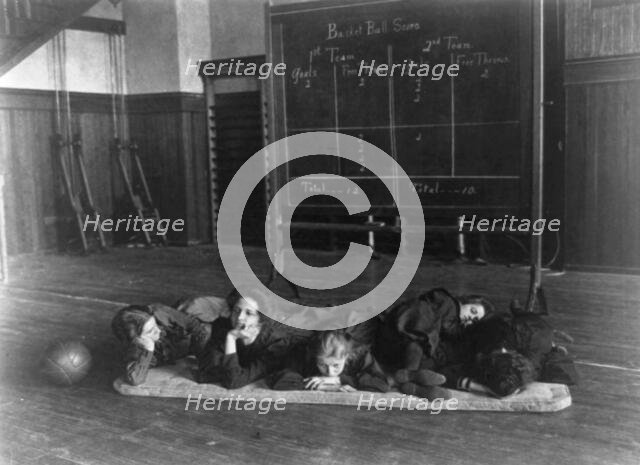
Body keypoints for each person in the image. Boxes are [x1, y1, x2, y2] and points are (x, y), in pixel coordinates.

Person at [197, 289, 303, 389]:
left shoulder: (275, 343)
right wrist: (231, 338)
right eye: (236, 311)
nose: (239, 317)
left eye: (249, 313)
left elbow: (233, 381)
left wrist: (231, 339)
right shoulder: (222, 326)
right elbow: (205, 372)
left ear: (260, 319)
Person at [112, 301, 217, 386]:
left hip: (184, 338)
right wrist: (148, 349)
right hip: (173, 350)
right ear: (136, 340)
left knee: (203, 318)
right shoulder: (135, 350)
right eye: (150, 331)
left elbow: (194, 326)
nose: (157, 330)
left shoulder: (159, 312)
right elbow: (135, 379)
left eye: (155, 325)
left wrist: (204, 360)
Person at [270, 330, 390, 393]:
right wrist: (324, 386)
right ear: (315, 358)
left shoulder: (360, 355)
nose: (330, 372)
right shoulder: (305, 354)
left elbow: (382, 384)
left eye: (336, 365)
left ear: (347, 357)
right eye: (322, 365)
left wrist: (339, 380)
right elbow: (279, 381)